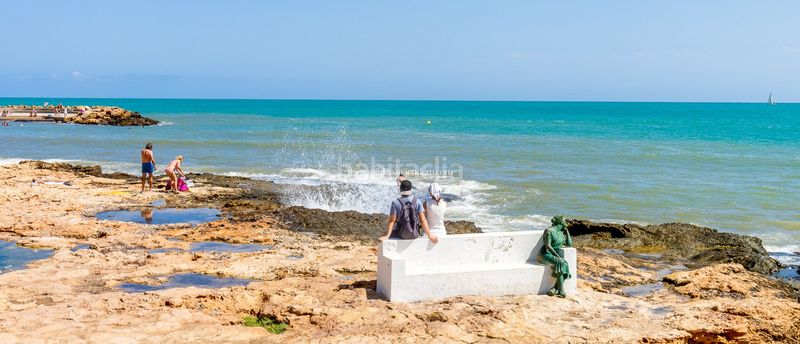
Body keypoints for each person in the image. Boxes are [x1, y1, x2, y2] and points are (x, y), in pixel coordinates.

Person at [538, 215, 573, 298]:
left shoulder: (561, 232)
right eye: (564, 220)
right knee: (561, 262)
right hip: (545, 254)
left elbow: (569, 244)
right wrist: (557, 256)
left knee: (564, 263)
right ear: (559, 221)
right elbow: (548, 246)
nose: (566, 221)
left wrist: (567, 232)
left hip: (553, 255)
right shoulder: (549, 230)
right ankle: (561, 290)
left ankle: (555, 288)